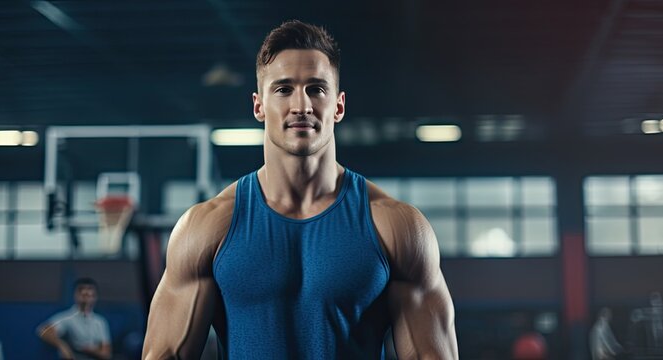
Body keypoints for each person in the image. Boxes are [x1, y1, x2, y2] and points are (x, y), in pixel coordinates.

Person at [142, 20, 458, 359]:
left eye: (316, 89)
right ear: (258, 105)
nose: (301, 106)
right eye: (283, 89)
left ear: (338, 106)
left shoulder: (398, 227)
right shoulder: (206, 228)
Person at [38, 278, 112, 360]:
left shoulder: (100, 321)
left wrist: (90, 349)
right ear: (75, 295)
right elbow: (43, 331)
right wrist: (62, 345)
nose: (86, 294)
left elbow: (106, 354)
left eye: (90, 293)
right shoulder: (67, 317)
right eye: (82, 291)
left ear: (95, 297)